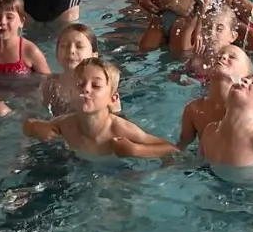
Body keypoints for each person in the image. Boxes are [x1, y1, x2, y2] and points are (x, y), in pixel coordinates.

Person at [23, 58, 177, 158]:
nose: (86, 89)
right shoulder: (66, 125)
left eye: (95, 85)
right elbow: (27, 125)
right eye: (80, 84)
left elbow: (171, 149)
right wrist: (35, 127)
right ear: (71, 93)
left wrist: (135, 150)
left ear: (112, 99)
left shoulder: (120, 131)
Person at [179, 45, 253, 147]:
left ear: (246, 76)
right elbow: (182, 146)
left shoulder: (252, 111)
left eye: (232, 57)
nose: (222, 57)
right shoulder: (194, 109)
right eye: (219, 55)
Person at [0, 0, 51, 76]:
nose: (2, 22)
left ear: (21, 22)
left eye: (9, 17)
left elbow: (48, 81)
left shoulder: (30, 51)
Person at [43, 23, 101, 115]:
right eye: (64, 46)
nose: (71, 51)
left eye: (79, 46)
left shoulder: (100, 86)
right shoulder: (50, 84)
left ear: (94, 56)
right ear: (57, 54)